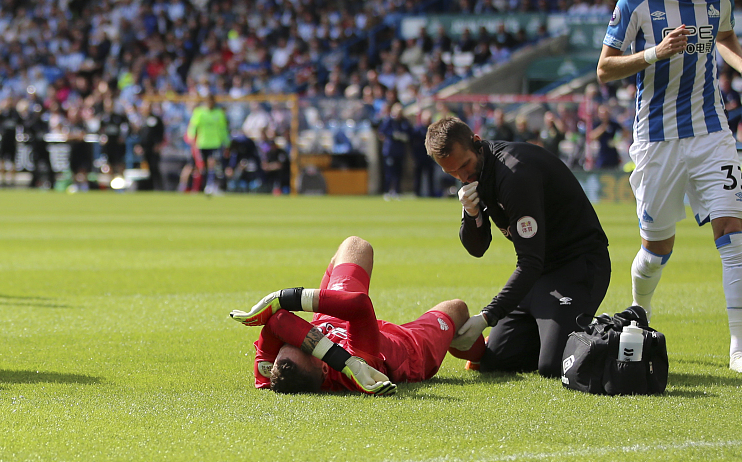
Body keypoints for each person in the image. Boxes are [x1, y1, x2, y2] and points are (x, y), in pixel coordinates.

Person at [597, 0, 742, 374]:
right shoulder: (635, 1)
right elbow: (604, 68)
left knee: (731, 235)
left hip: (712, 134)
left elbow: (726, 37)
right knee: (656, 250)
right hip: (657, 140)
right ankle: (640, 315)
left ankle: (739, 349)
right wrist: (655, 52)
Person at [425, 116, 611, 379]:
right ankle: (552, 331)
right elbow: (477, 249)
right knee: (496, 362)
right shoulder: (478, 174)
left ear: (477, 143)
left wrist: (487, 316)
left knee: (553, 365)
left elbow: (530, 261)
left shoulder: (514, 174)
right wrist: (471, 212)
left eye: (464, 165)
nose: (462, 176)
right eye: (452, 172)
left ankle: (610, 329)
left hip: (578, 267)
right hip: (540, 276)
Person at [230, 235, 476, 395]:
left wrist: (283, 301)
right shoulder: (360, 367)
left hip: (338, 319)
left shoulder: (270, 372)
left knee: (354, 246)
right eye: (309, 345)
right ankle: (482, 356)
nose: (306, 337)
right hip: (406, 349)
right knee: (457, 308)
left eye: (294, 340)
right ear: (326, 370)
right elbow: (359, 306)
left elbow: (278, 321)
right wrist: (285, 298)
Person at [186, 92, 229, 195]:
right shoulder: (199, 112)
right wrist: (191, 138)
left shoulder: (219, 113)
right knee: (202, 167)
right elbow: (193, 126)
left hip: (215, 143)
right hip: (202, 143)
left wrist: (227, 143)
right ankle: (202, 187)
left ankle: (214, 186)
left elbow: (223, 129)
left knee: (214, 165)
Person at [378, 102, 410, 200]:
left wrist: (403, 136)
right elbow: (382, 132)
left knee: (398, 173)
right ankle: (387, 191)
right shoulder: (389, 121)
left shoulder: (404, 122)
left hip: (399, 151)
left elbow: (409, 132)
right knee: (389, 173)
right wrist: (392, 135)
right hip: (390, 151)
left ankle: (396, 191)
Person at [134, 101, 164, 190]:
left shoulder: (155, 119)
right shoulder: (142, 120)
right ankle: (147, 187)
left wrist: (158, 144)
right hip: (144, 149)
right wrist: (138, 145)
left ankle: (158, 187)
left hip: (153, 148)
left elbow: (160, 132)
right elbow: (139, 135)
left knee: (154, 167)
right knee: (144, 169)